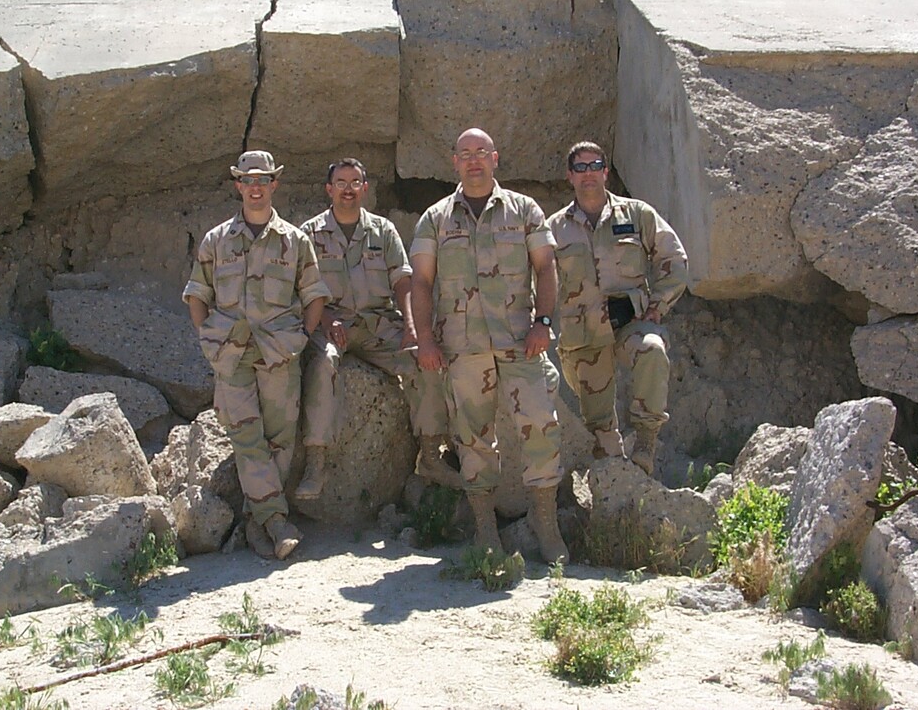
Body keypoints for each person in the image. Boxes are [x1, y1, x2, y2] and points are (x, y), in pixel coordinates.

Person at [410, 128, 568, 564]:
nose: (474, 160)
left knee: (541, 425)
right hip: (464, 347)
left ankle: (546, 526)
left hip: (523, 342)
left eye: (481, 152)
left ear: (495, 158)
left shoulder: (523, 210)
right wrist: (425, 339)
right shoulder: (436, 218)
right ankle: (486, 532)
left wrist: (544, 322)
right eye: (465, 154)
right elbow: (421, 282)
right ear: (454, 161)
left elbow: (546, 267)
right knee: (473, 439)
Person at [183, 150, 330, 560]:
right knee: (246, 435)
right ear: (238, 186)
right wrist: (208, 338)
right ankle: (277, 522)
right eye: (248, 181)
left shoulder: (295, 241)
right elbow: (197, 294)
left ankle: (256, 521)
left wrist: (301, 336)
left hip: (279, 352)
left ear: (274, 185)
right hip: (231, 355)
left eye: (263, 180)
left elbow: (314, 295)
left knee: (281, 439)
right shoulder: (217, 239)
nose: (255, 188)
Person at [295, 158, 457, 498]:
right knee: (323, 363)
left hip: (378, 323)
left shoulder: (382, 231)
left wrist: (413, 329)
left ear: (365, 188)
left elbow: (403, 281)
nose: (349, 189)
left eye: (355, 182)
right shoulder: (309, 233)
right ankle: (316, 462)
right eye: (341, 182)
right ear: (329, 189)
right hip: (332, 323)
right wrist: (325, 319)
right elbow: (302, 288)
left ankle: (430, 453)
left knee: (423, 361)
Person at [548, 142, 689, 474]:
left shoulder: (637, 215)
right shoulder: (554, 228)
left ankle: (645, 443)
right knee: (601, 431)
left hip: (632, 323)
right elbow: (535, 279)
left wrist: (659, 304)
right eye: (579, 168)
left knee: (653, 350)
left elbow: (674, 257)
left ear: (605, 172)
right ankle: (616, 488)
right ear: (570, 176)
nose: (588, 174)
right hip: (584, 337)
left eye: (594, 165)